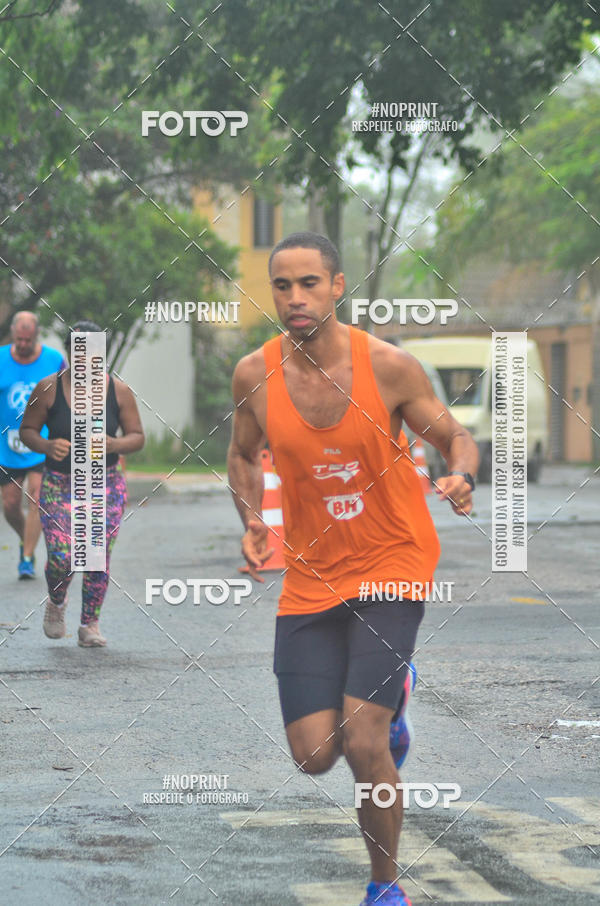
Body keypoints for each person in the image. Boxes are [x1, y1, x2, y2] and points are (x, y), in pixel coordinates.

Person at [227, 232, 479, 906]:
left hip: (393, 559)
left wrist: (459, 474)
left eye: (309, 283)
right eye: (283, 286)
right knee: (314, 755)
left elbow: (453, 434)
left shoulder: (389, 367)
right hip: (312, 574)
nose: (295, 297)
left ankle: (384, 886)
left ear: (338, 287)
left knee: (365, 738)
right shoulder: (255, 375)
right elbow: (242, 454)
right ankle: (395, 697)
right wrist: (252, 519)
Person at [19, 320, 145, 647]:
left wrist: (113, 444)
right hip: (60, 483)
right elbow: (27, 431)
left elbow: (137, 437)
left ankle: (89, 624)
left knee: (96, 553)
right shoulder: (48, 388)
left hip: (106, 483)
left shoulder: (118, 391)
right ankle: (57, 601)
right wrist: (47, 446)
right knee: (62, 556)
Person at [0, 311, 65, 579]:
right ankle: (26, 539)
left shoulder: (54, 359)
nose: (23, 344)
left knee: (37, 498)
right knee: (11, 505)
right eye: (19, 340)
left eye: (28, 339)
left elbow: (67, 395)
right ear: (13, 335)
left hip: (42, 439)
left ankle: (26, 558)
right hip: (6, 444)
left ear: (36, 334)